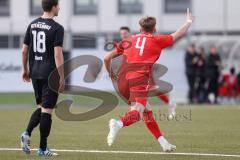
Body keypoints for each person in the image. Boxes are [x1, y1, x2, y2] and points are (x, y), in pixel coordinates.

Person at [104, 9, 194, 152]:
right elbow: (178, 34)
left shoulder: (129, 39)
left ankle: (163, 143)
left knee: (147, 110)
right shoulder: (157, 40)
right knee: (138, 113)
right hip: (138, 80)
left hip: (121, 80)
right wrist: (189, 21)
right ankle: (118, 123)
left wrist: (110, 74)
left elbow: (107, 57)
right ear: (155, 29)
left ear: (140, 28)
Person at [20, 0, 65, 156]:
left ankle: (26, 133)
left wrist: (25, 69)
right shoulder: (57, 28)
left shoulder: (32, 24)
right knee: (47, 110)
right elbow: (57, 54)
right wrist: (62, 76)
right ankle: (42, 149)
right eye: (58, 5)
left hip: (35, 72)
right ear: (53, 7)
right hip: (49, 74)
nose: (59, 8)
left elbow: (24, 51)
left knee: (41, 107)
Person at [115, 26, 177, 117]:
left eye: (125, 33)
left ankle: (168, 104)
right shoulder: (124, 44)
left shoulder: (134, 41)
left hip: (142, 71)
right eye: (121, 34)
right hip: (131, 73)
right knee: (150, 90)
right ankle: (168, 104)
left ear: (129, 33)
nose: (123, 35)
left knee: (151, 89)